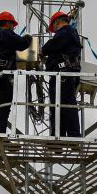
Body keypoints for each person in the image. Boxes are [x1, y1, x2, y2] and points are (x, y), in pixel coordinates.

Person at [0, 10, 30, 141]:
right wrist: (28, 37)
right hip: (3, 76)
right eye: (13, 25)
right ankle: (1, 137)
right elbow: (22, 44)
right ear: (8, 23)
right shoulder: (5, 33)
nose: (14, 28)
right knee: (3, 108)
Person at [40, 10, 84, 138]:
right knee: (59, 106)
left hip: (64, 74)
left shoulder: (66, 32)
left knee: (64, 105)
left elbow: (52, 45)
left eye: (54, 27)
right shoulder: (69, 34)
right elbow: (58, 50)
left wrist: (42, 51)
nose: (54, 30)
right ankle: (60, 135)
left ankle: (72, 135)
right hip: (63, 74)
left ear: (57, 23)